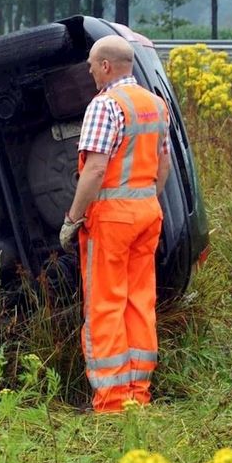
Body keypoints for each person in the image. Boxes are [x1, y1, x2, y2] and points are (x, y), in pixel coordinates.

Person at [59, 35, 171, 413]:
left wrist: (73, 217)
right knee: (139, 302)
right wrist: (148, 200)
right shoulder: (155, 105)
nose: (89, 71)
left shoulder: (105, 105)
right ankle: (138, 393)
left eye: (91, 64)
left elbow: (94, 169)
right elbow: (163, 164)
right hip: (147, 213)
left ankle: (109, 402)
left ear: (106, 66)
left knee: (105, 304)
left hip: (112, 219)